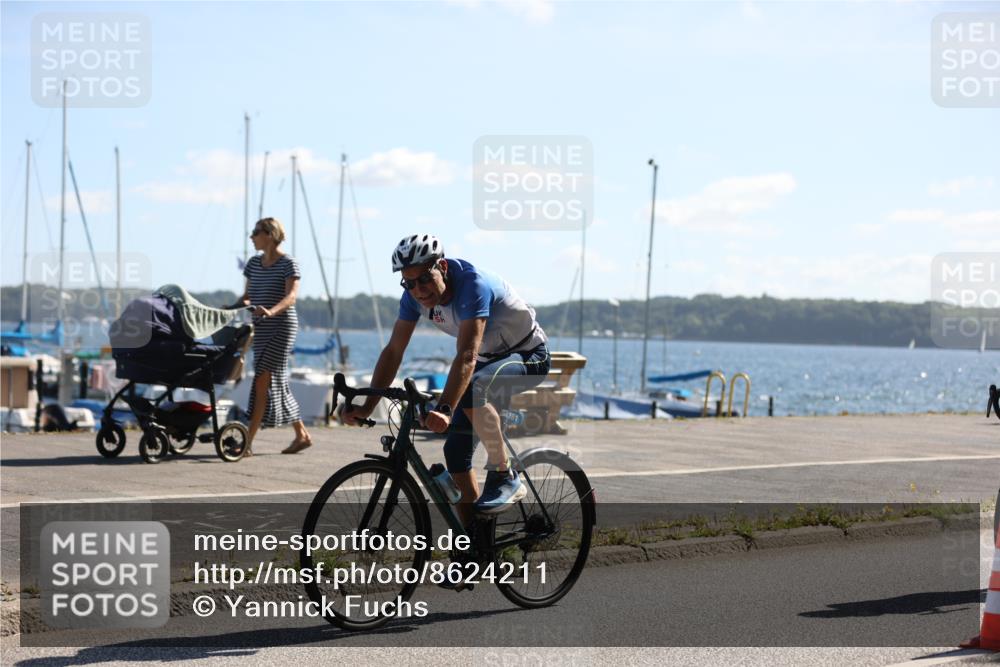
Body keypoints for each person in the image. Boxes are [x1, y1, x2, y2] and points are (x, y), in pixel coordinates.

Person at [343, 234, 550, 524]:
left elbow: (467, 355)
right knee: (455, 455)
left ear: (441, 266)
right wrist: (367, 406)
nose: (418, 290)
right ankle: (472, 549)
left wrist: (445, 408)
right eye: (409, 282)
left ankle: (504, 475)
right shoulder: (413, 298)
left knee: (472, 390)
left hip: (529, 355)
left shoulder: (471, 285)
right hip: (487, 365)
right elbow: (393, 351)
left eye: (424, 279)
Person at [235, 217, 313, 456]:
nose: (252, 237)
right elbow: (247, 296)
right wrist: (229, 308)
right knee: (275, 381)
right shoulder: (253, 264)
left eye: (255, 232)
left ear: (269, 233)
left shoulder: (288, 263)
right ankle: (302, 435)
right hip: (260, 326)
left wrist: (271, 310)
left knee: (261, 380)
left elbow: (291, 297)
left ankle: (247, 442)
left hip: (281, 326)